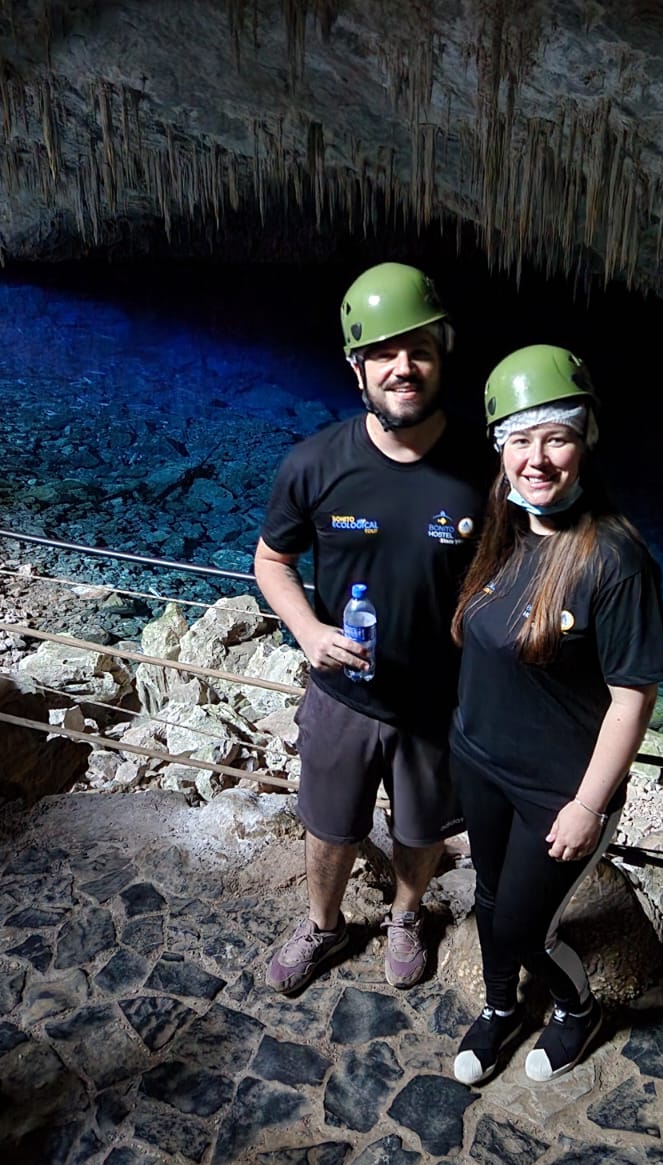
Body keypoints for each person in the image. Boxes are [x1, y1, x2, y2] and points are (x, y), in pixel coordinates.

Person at [254, 262, 486, 995]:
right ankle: (324, 926)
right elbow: (271, 561)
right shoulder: (316, 464)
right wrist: (309, 633)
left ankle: (406, 916)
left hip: (437, 705)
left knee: (422, 832)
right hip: (343, 695)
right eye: (383, 354)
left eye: (418, 349)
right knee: (330, 825)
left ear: (441, 356)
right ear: (358, 370)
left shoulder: (486, 470)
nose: (403, 367)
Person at [447, 344, 663, 1084]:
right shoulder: (500, 531)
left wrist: (587, 805)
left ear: (586, 443)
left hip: (557, 789)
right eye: (520, 439)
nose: (537, 459)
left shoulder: (615, 559)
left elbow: (633, 697)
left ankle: (577, 1010)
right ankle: (503, 1009)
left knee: (521, 923)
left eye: (556, 437)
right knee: (484, 897)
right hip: (479, 761)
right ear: (501, 451)